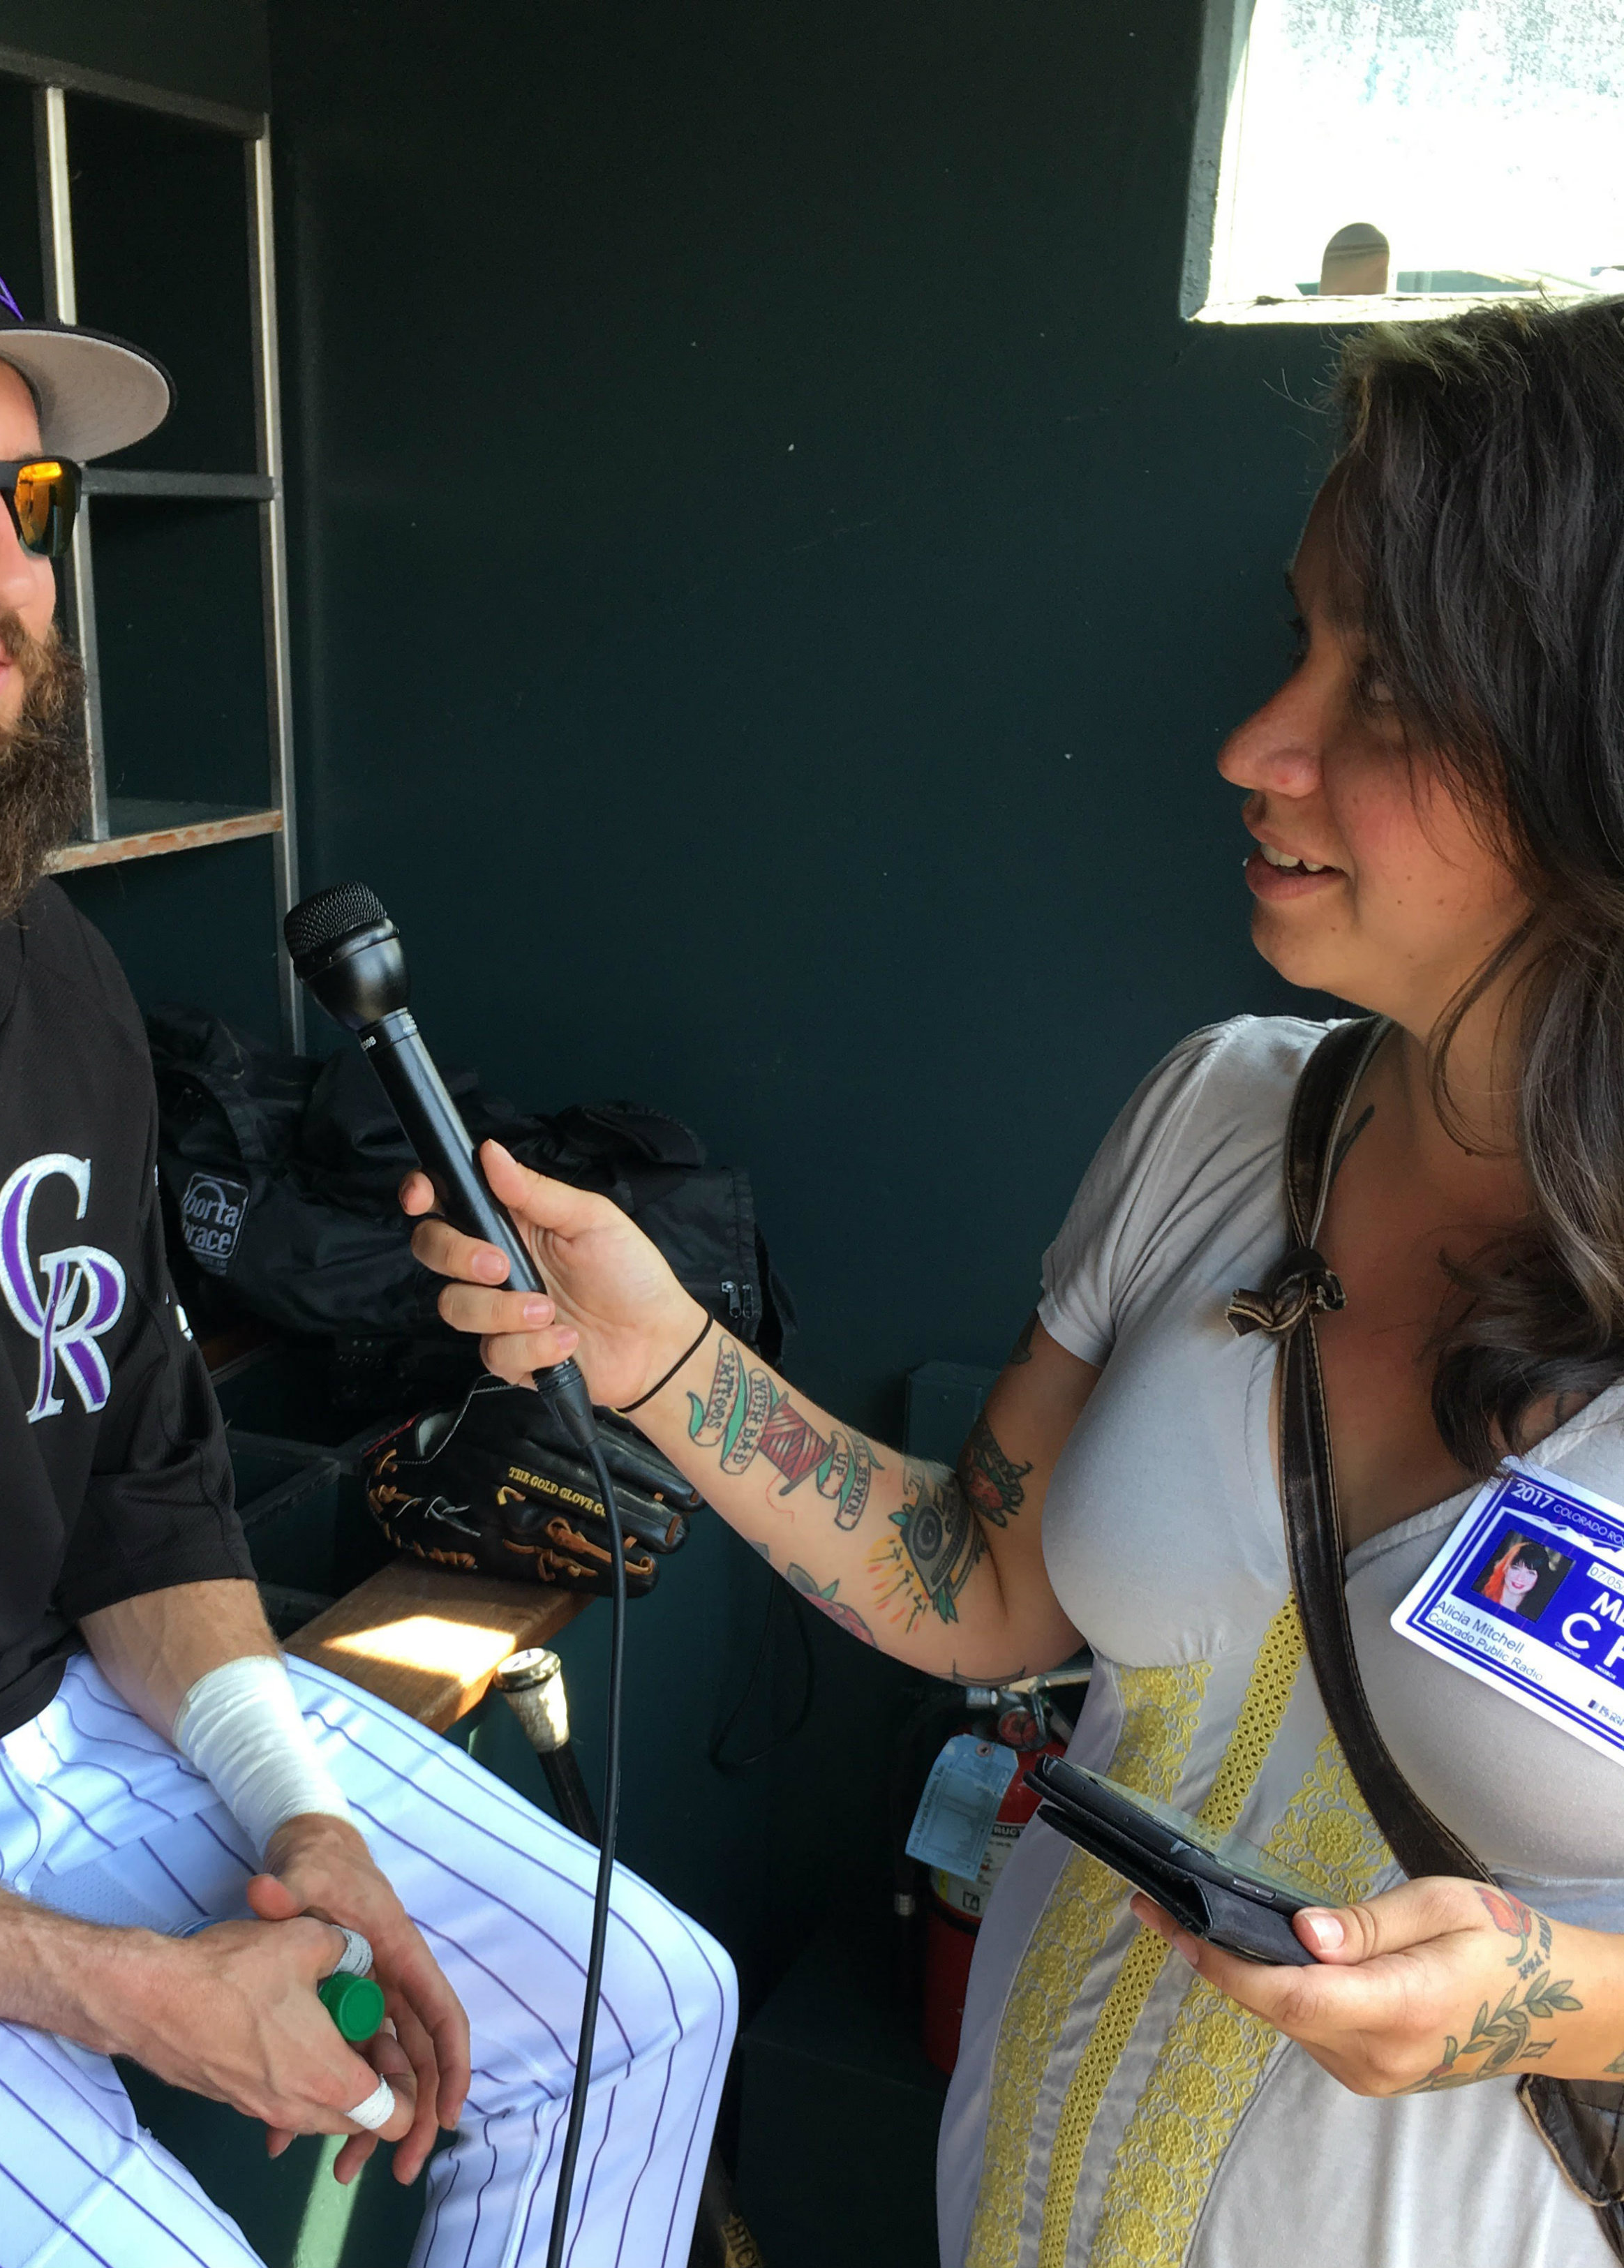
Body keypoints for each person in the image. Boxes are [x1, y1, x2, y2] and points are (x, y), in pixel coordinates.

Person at [0, 163, 732, 2268]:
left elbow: (148, 1504)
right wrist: (131, 1989)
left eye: (31, 504)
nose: (3, 566)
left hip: (58, 1732)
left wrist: (302, 1809)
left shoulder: (45, 974)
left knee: (650, 2003)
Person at [408, 296, 1624, 2268]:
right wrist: (657, 1350)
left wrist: (1542, 1989)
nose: (1256, 743)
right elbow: (979, 1578)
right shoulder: (1224, 1118)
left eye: (1383, 686)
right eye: (1295, 638)